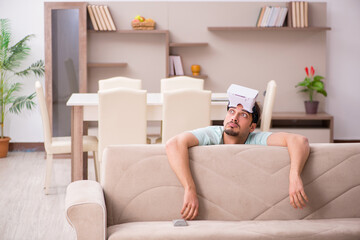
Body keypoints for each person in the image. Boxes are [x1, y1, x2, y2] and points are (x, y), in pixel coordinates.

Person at [165, 84, 310, 220]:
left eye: (243, 115)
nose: (234, 117)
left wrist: (294, 176)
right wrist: (189, 189)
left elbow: (299, 140)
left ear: (252, 127)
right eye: (231, 111)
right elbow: (174, 144)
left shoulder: (255, 139)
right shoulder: (213, 134)